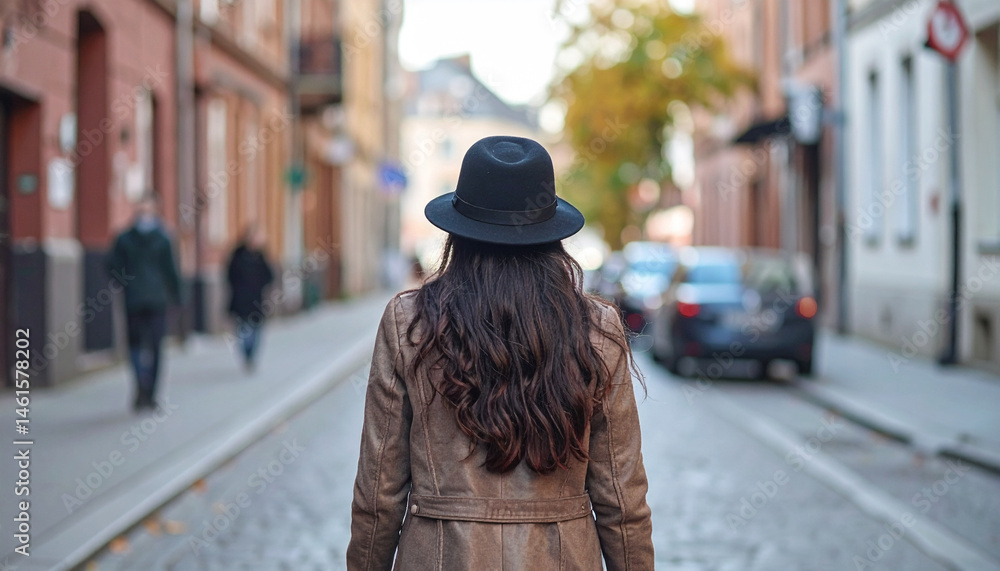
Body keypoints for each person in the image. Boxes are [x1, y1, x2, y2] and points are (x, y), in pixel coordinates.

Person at [347, 136, 654, 570]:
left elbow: (379, 490)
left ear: (458, 228)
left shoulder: (409, 322)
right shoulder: (596, 328)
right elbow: (622, 500)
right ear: (551, 232)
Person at [106, 193, 181, 412]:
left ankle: (143, 388)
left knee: (139, 346)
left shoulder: (126, 237)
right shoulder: (163, 237)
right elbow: (171, 271)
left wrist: (125, 283)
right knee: (151, 347)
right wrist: (177, 297)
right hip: (152, 299)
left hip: (137, 299)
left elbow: (112, 266)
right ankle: (148, 391)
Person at [225, 225, 274, 372]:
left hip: (257, 300)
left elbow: (269, 276)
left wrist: (261, 287)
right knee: (243, 329)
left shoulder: (261, 256)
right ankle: (246, 353)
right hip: (240, 299)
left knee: (256, 329)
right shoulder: (238, 255)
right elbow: (229, 275)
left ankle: (251, 355)